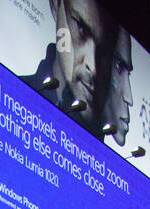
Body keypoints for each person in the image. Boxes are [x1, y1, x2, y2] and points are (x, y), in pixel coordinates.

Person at [23, 0, 121, 138]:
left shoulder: (102, 147)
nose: (93, 67)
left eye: (105, 50)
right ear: (55, 6)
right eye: (81, 28)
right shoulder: (9, 91)